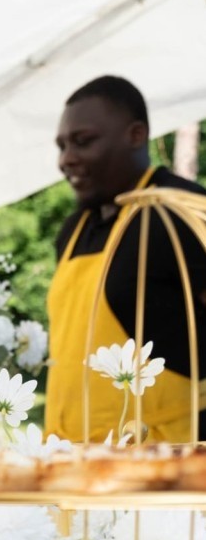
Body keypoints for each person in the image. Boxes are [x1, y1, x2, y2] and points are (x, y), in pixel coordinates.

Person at [45, 75, 206, 443]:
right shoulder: (73, 229)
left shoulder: (182, 213)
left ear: (136, 135)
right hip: (70, 463)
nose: (66, 159)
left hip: (164, 466)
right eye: (62, 146)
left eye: (82, 142)